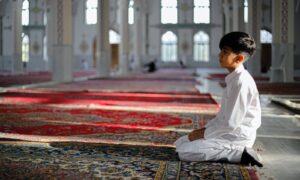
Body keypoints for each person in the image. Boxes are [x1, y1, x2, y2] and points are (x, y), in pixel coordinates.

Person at [174, 31, 263, 167]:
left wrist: (203, 134)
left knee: (185, 152)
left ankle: (240, 153)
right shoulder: (233, 79)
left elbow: (230, 124)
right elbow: (222, 117)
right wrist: (203, 131)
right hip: (227, 132)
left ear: (238, 59)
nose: (219, 55)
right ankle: (231, 150)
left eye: (225, 52)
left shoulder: (241, 82)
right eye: (221, 50)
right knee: (181, 142)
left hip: (237, 136)